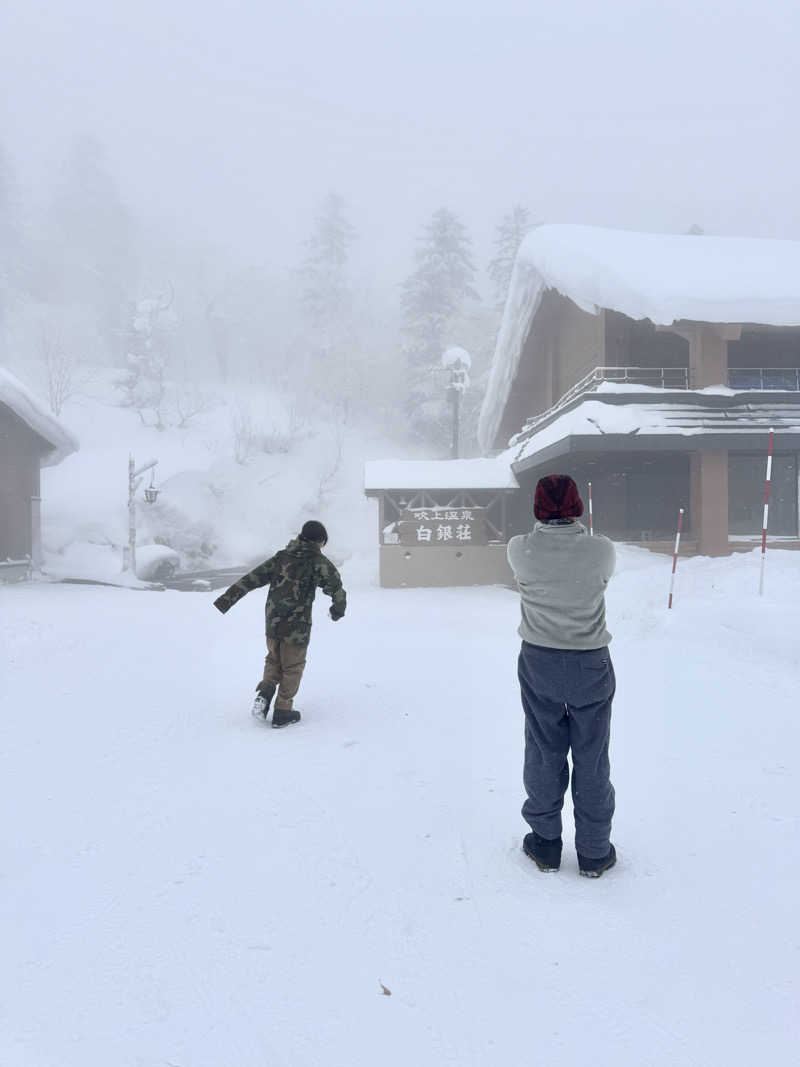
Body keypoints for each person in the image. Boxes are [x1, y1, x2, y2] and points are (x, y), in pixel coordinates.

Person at [507, 475, 617, 878]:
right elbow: (601, 579)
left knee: (543, 749)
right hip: (590, 661)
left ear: (537, 508)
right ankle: (593, 849)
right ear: (577, 507)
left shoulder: (520, 549)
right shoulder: (600, 549)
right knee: (592, 754)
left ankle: (546, 842)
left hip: (540, 661)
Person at [213, 520, 346, 728]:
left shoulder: (281, 557)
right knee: (293, 667)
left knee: (274, 660)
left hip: (273, 623)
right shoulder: (318, 562)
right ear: (321, 541)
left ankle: (265, 693)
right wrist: (337, 610)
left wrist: (225, 600)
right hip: (297, 627)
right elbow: (336, 587)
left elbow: (252, 578)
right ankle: (283, 711)